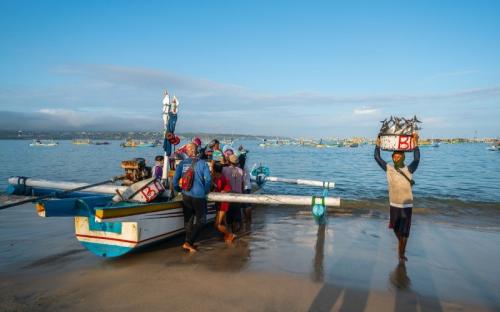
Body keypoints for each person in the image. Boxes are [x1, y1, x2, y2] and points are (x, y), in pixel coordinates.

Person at [375, 133, 420, 261]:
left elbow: (416, 159)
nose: (396, 158)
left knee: (405, 231)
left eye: (399, 156)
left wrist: (416, 143)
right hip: (394, 204)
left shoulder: (409, 169)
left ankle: (401, 253)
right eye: (394, 156)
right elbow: (377, 157)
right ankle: (400, 243)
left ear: (403, 157)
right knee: (395, 228)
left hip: (407, 205)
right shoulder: (389, 169)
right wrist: (377, 143)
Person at [173, 143, 212, 253]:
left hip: (186, 195)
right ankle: (188, 243)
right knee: (201, 221)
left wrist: (180, 190)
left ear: (187, 152)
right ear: (197, 151)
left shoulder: (182, 163)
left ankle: (189, 243)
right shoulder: (203, 163)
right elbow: (208, 180)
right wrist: (204, 191)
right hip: (199, 196)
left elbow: (175, 182)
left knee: (188, 220)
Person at [212, 162, 235, 243]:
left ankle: (230, 234)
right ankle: (227, 235)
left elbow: (227, 188)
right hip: (220, 202)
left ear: (215, 170)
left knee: (217, 224)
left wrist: (223, 191)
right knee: (223, 222)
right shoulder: (219, 177)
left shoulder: (220, 178)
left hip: (223, 204)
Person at [222, 154, 245, 233]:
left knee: (229, 217)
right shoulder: (241, 170)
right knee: (236, 216)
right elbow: (242, 184)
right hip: (238, 196)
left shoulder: (224, 169)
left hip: (229, 195)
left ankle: (230, 234)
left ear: (229, 161)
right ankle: (236, 233)